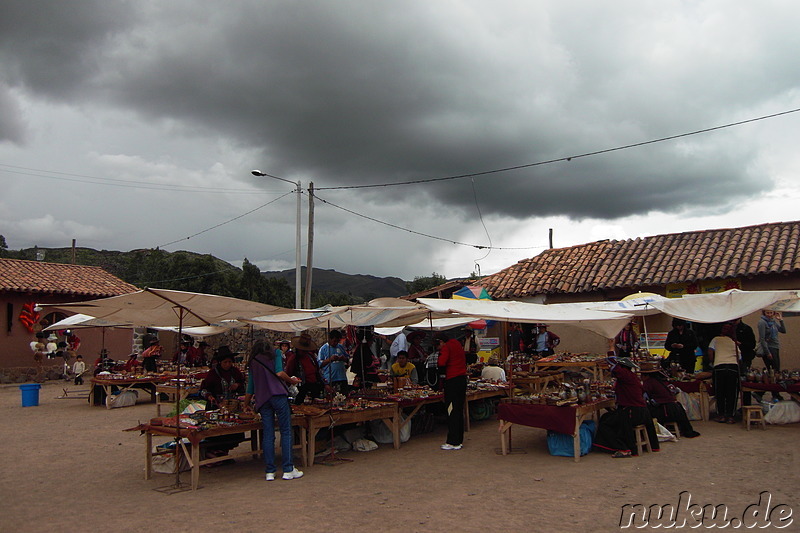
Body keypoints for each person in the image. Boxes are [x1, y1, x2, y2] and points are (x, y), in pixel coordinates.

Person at [243, 341, 304, 481]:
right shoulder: (275, 353)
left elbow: (251, 386)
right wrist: (291, 381)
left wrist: (245, 404)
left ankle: (270, 471)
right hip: (278, 396)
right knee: (286, 431)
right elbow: (279, 372)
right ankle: (288, 469)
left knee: (268, 434)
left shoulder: (253, 361)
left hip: (263, 400)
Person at [594, 356, 660, 458]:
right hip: (641, 412)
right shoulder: (632, 378)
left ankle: (623, 448)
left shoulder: (626, 375)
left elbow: (615, 366)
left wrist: (611, 351)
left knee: (606, 424)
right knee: (606, 417)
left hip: (632, 412)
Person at [641, 369, 700, 438]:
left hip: (668, 411)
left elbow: (644, 396)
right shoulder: (661, 381)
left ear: (646, 376)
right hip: (675, 409)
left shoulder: (649, 382)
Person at [436, 332, 467, 450]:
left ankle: (452, 441)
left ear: (441, 342)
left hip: (452, 381)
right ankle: (458, 440)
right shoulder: (457, 344)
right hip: (461, 380)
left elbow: (442, 362)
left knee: (451, 410)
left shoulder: (446, 347)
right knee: (458, 410)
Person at [708, 324, 740, 424]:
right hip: (733, 367)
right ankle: (730, 416)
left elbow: (710, 351)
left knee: (720, 391)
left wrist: (712, 362)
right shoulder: (733, 342)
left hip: (719, 367)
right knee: (732, 392)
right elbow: (740, 357)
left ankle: (721, 415)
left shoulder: (715, 339)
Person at [285, 333, 326, 404]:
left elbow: (317, 371)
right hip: (301, 389)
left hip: (314, 387)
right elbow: (288, 375)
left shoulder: (311, 356)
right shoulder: (293, 359)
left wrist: (324, 384)